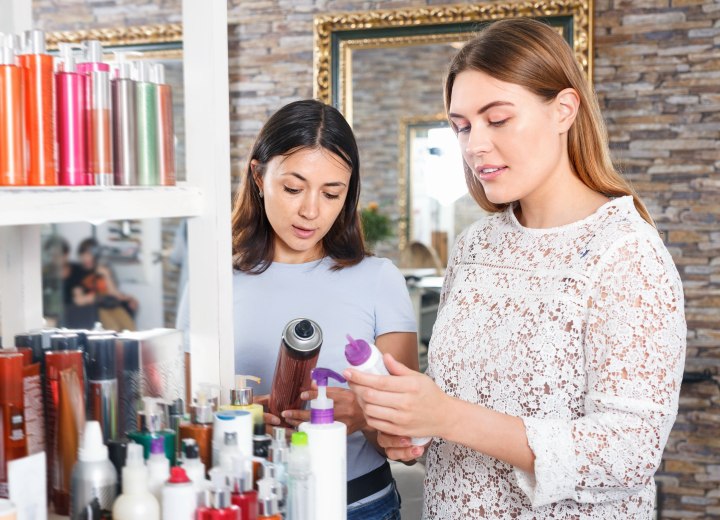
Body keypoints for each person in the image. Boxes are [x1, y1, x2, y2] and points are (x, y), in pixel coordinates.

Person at [344, 18, 686, 519]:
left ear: (564, 109)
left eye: (497, 119)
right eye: (461, 126)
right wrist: (408, 425)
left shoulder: (626, 254)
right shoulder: (474, 246)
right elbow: (455, 407)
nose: (474, 144)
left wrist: (448, 416)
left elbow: (629, 453)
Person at [230, 99, 418, 519]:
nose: (311, 210)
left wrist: (363, 415)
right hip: (248, 501)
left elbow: (409, 444)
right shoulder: (217, 282)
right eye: (293, 188)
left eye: (331, 193)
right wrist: (243, 416)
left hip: (359, 504)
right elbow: (189, 409)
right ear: (259, 176)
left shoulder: (378, 279)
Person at [67, 237, 138, 331]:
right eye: (83, 255)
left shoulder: (104, 268)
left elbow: (113, 293)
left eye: (90, 254)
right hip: (95, 308)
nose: (86, 258)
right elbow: (79, 300)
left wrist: (107, 275)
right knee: (114, 329)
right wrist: (97, 297)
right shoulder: (78, 273)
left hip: (111, 304)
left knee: (130, 328)